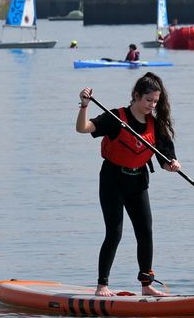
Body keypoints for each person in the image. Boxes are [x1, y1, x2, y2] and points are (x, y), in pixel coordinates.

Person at [75, 74, 181, 297]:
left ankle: (146, 284)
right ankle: (102, 285)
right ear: (135, 96)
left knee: (145, 232)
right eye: (148, 101)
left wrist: (172, 164)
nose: (152, 106)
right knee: (114, 232)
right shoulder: (116, 117)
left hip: (138, 181)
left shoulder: (156, 124)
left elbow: (165, 159)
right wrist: (84, 105)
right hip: (113, 180)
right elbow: (83, 128)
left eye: (155, 102)